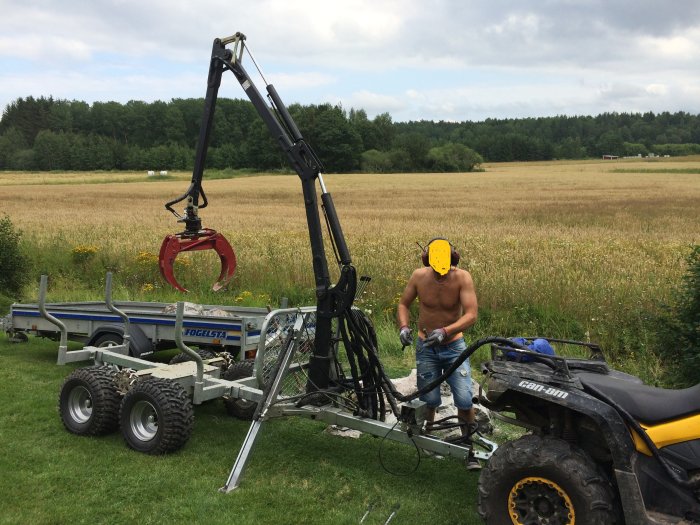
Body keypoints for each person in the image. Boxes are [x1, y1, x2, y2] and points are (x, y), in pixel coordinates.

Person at [396, 238, 481, 470]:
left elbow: (471, 314)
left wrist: (446, 331)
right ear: (428, 260)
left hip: (454, 347)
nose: (440, 273)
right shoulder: (419, 277)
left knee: (464, 399)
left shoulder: (463, 278)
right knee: (430, 400)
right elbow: (403, 304)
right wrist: (403, 326)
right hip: (427, 347)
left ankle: (469, 448)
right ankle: (429, 440)